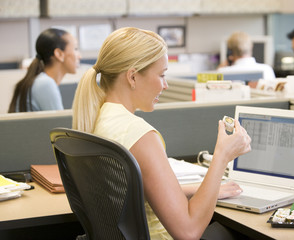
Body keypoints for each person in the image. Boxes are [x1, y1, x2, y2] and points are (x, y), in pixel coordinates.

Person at [72, 27, 252, 240]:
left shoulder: (98, 119)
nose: (165, 85)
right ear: (132, 77)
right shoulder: (139, 134)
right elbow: (188, 231)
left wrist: (206, 189)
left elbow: (134, 193)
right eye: (162, 75)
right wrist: (222, 155)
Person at [8, 28, 81, 113]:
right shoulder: (45, 83)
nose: (79, 56)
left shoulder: (40, 81)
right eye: (75, 49)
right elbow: (59, 124)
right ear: (59, 54)